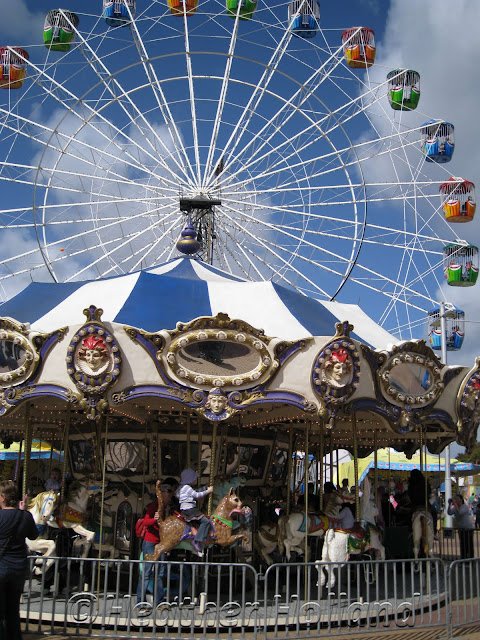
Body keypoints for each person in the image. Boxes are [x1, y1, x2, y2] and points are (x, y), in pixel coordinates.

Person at [0, 479, 38, 640]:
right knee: (13, 610)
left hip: (2, 566)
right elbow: (33, 535)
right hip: (18, 568)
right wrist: (23, 512)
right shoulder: (25, 516)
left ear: (3, 497)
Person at [136, 478, 179, 609]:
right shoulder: (153, 506)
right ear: (162, 493)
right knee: (147, 572)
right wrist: (154, 519)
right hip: (150, 541)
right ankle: (140, 602)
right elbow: (145, 522)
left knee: (160, 574)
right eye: (168, 491)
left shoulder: (167, 509)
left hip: (161, 543)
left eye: (171, 492)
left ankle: (159, 602)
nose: (170, 494)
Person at [176, 468, 213, 555]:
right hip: (190, 509)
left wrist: (205, 487)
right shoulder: (187, 487)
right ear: (190, 479)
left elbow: (195, 491)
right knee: (206, 521)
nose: (195, 480)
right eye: (194, 478)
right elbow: (196, 495)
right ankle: (197, 541)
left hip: (185, 509)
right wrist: (208, 491)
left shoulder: (182, 488)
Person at [448, 494, 474, 559]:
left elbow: (460, 513)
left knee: (469, 544)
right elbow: (449, 513)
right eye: (455, 499)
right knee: (462, 544)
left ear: (461, 500)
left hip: (468, 528)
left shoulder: (465, 507)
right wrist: (449, 504)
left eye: (457, 499)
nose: (456, 500)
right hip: (461, 528)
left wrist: (455, 504)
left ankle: (470, 558)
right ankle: (463, 558)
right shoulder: (455, 508)